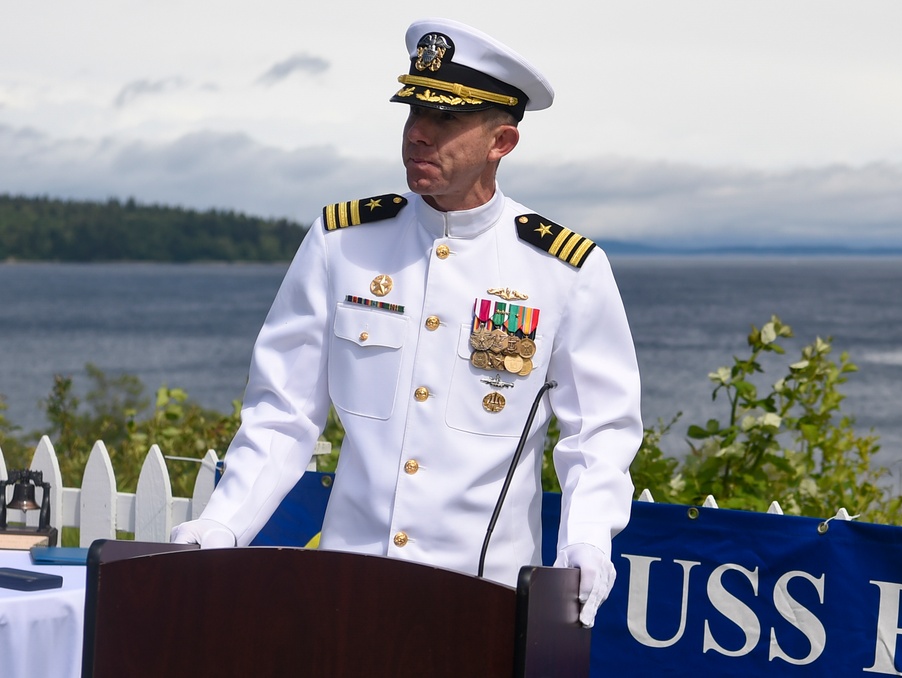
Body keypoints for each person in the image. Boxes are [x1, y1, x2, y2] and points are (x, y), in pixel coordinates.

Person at [171, 17, 642, 628]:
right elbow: (283, 413)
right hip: (347, 592)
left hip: (483, 602)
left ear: (502, 142)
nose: (419, 134)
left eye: (445, 119)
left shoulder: (562, 269)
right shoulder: (344, 243)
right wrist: (223, 523)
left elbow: (599, 432)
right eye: (413, 112)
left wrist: (587, 540)